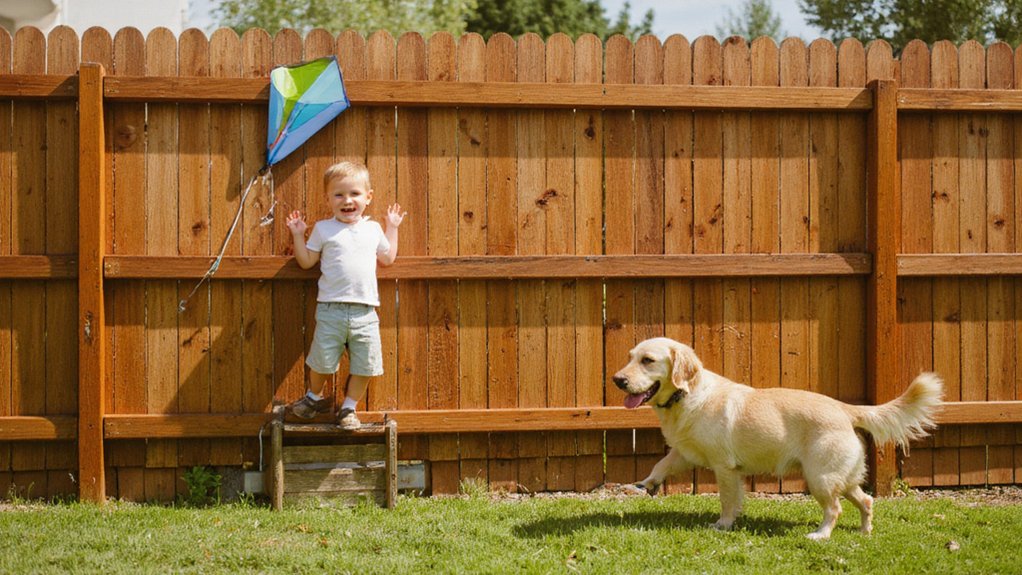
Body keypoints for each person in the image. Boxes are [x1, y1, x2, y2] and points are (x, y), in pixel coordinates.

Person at [285, 160, 405, 429]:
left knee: (366, 364)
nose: (347, 200)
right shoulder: (323, 229)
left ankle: (349, 408)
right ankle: (314, 398)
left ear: (368, 197)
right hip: (331, 309)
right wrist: (298, 235)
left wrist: (392, 227)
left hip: (365, 311)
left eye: (354, 194)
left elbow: (387, 258)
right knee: (322, 361)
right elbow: (306, 262)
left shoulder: (373, 229)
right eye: (339, 194)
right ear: (328, 198)